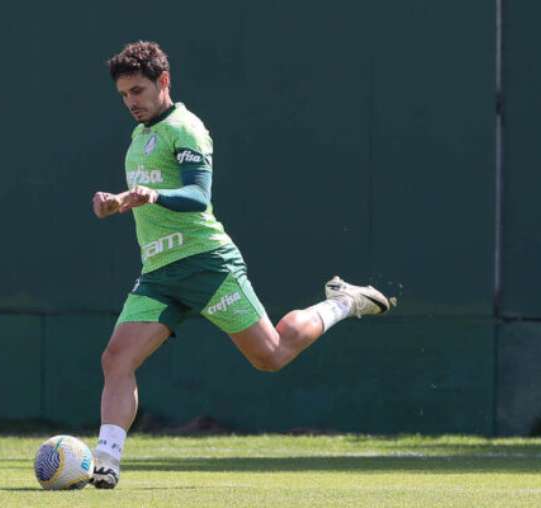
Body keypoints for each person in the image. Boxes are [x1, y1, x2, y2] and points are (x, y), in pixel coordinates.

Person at [89, 41, 396, 489]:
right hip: (159, 273)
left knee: (271, 356)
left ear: (164, 82)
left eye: (138, 91)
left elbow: (197, 197)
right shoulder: (139, 138)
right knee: (116, 358)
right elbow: (146, 193)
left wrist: (153, 196)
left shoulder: (187, 129)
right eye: (123, 95)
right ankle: (106, 463)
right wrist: (117, 202)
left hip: (207, 264)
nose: (131, 102)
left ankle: (343, 302)